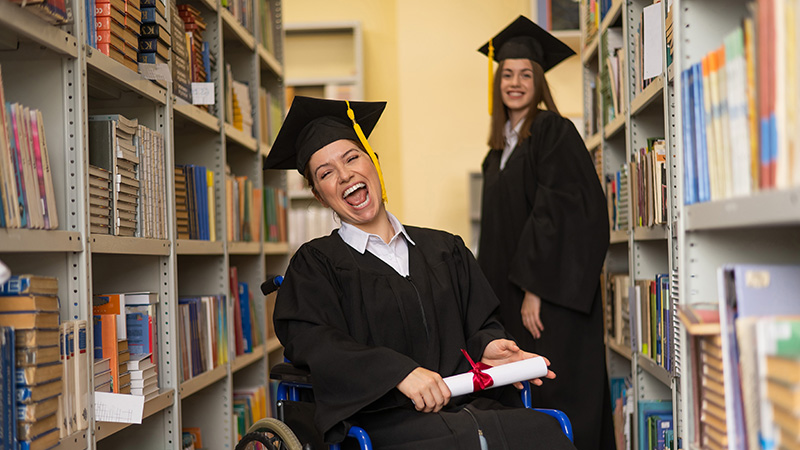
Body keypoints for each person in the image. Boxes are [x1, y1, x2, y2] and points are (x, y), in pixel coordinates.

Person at [265, 95, 576, 450]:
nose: (344, 174)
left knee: (545, 432)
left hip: (468, 407)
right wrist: (398, 373)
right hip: (383, 421)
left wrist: (488, 345)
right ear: (320, 196)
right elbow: (315, 342)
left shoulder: (445, 248)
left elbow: (479, 321)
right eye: (326, 173)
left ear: (374, 163)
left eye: (352, 157)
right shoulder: (316, 264)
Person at [475, 16, 615, 450]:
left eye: (526, 74)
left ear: (539, 81)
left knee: (558, 387)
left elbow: (565, 209)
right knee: (522, 394)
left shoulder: (552, 130)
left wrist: (535, 286)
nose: (515, 83)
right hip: (511, 298)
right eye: (508, 74)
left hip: (548, 298)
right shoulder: (496, 151)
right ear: (498, 82)